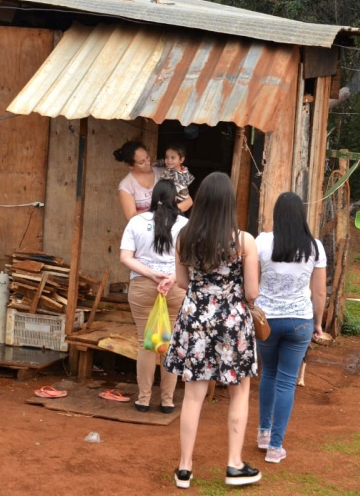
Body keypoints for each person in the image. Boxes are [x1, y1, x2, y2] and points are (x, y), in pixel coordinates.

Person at [163, 172, 262, 488]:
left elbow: (181, 282)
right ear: (229, 203)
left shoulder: (184, 237)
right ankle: (234, 465)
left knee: (193, 394)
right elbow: (252, 293)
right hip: (232, 322)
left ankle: (184, 468)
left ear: (202, 200)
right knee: (239, 390)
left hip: (195, 320)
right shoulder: (243, 240)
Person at [254, 192, 327, 464]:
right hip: (299, 321)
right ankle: (275, 447)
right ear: (301, 215)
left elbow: (253, 281)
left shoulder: (262, 242)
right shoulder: (315, 247)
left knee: (268, 374)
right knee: (287, 381)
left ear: (277, 214)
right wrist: (317, 323)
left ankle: (263, 433)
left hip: (266, 321)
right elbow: (319, 292)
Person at [119, 180, 188, 413]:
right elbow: (190, 261)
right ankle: (167, 401)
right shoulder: (186, 225)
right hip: (175, 287)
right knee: (169, 343)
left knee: (145, 343)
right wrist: (170, 277)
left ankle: (143, 399)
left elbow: (126, 258)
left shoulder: (136, 222)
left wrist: (151, 274)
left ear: (152, 198)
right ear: (175, 199)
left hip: (142, 286)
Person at [114, 140, 191, 222]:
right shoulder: (126, 185)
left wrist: (169, 211)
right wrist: (158, 214)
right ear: (130, 166)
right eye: (142, 162)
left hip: (169, 224)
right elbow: (131, 217)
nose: (148, 162)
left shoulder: (164, 172)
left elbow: (188, 201)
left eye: (147, 157)